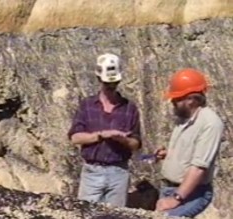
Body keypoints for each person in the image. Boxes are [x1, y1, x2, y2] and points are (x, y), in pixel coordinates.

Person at [67, 53, 142, 207]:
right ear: (99, 79)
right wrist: (100, 136)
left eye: (114, 83)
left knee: (116, 216)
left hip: (119, 173)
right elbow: (75, 138)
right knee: (85, 214)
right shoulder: (87, 105)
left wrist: (122, 140)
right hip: (92, 171)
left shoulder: (129, 108)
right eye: (107, 82)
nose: (110, 86)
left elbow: (136, 144)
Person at [155, 68, 224, 218]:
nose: (172, 101)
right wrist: (168, 155)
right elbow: (189, 152)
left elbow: (199, 168)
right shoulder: (184, 120)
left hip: (191, 193)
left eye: (178, 98)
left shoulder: (210, 124)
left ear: (192, 99)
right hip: (170, 189)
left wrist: (176, 198)